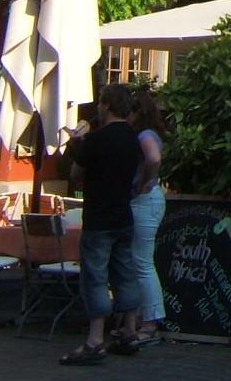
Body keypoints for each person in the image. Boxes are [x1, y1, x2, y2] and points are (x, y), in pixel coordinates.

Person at [61, 83, 144, 365]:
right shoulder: (133, 139)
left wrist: (75, 145)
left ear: (107, 105)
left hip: (98, 217)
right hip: (124, 215)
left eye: (100, 102)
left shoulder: (97, 139)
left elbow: (76, 174)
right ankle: (130, 331)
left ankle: (95, 339)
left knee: (95, 276)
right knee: (125, 272)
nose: (97, 106)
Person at [127, 88, 168, 347]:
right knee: (139, 261)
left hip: (145, 199)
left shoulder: (144, 135)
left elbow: (153, 158)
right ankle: (143, 315)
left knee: (142, 262)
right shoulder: (150, 133)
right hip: (149, 199)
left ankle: (151, 320)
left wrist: (143, 180)